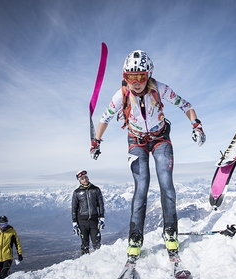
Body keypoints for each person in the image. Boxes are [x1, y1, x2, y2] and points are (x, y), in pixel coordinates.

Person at [90, 50, 206, 260]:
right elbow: (104, 117)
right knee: (141, 188)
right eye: (130, 78)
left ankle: (170, 232)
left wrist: (196, 125)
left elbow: (185, 105)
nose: (135, 83)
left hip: (160, 138)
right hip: (136, 141)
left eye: (140, 77)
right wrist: (96, 141)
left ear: (149, 75)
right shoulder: (121, 95)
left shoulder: (160, 89)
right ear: (125, 77)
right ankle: (135, 238)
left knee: (166, 185)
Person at [72, 170, 105, 254]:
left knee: (97, 242)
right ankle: (84, 261)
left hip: (94, 220)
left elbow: (100, 204)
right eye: (82, 178)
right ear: (79, 180)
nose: (85, 179)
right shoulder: (77, 192)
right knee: (84, 243)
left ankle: (99, 260)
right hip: (82, 221)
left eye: (85, 177)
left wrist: (102, 217)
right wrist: (74, 222)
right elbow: (74, 208)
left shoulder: (96, 190)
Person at [0, 215, 23, 279]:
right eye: (2, 225)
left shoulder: (12, 232)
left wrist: (20, 254)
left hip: (8, 257)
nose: (3, 226)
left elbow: (17, 243)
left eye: (5, 224)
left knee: (4, 273)